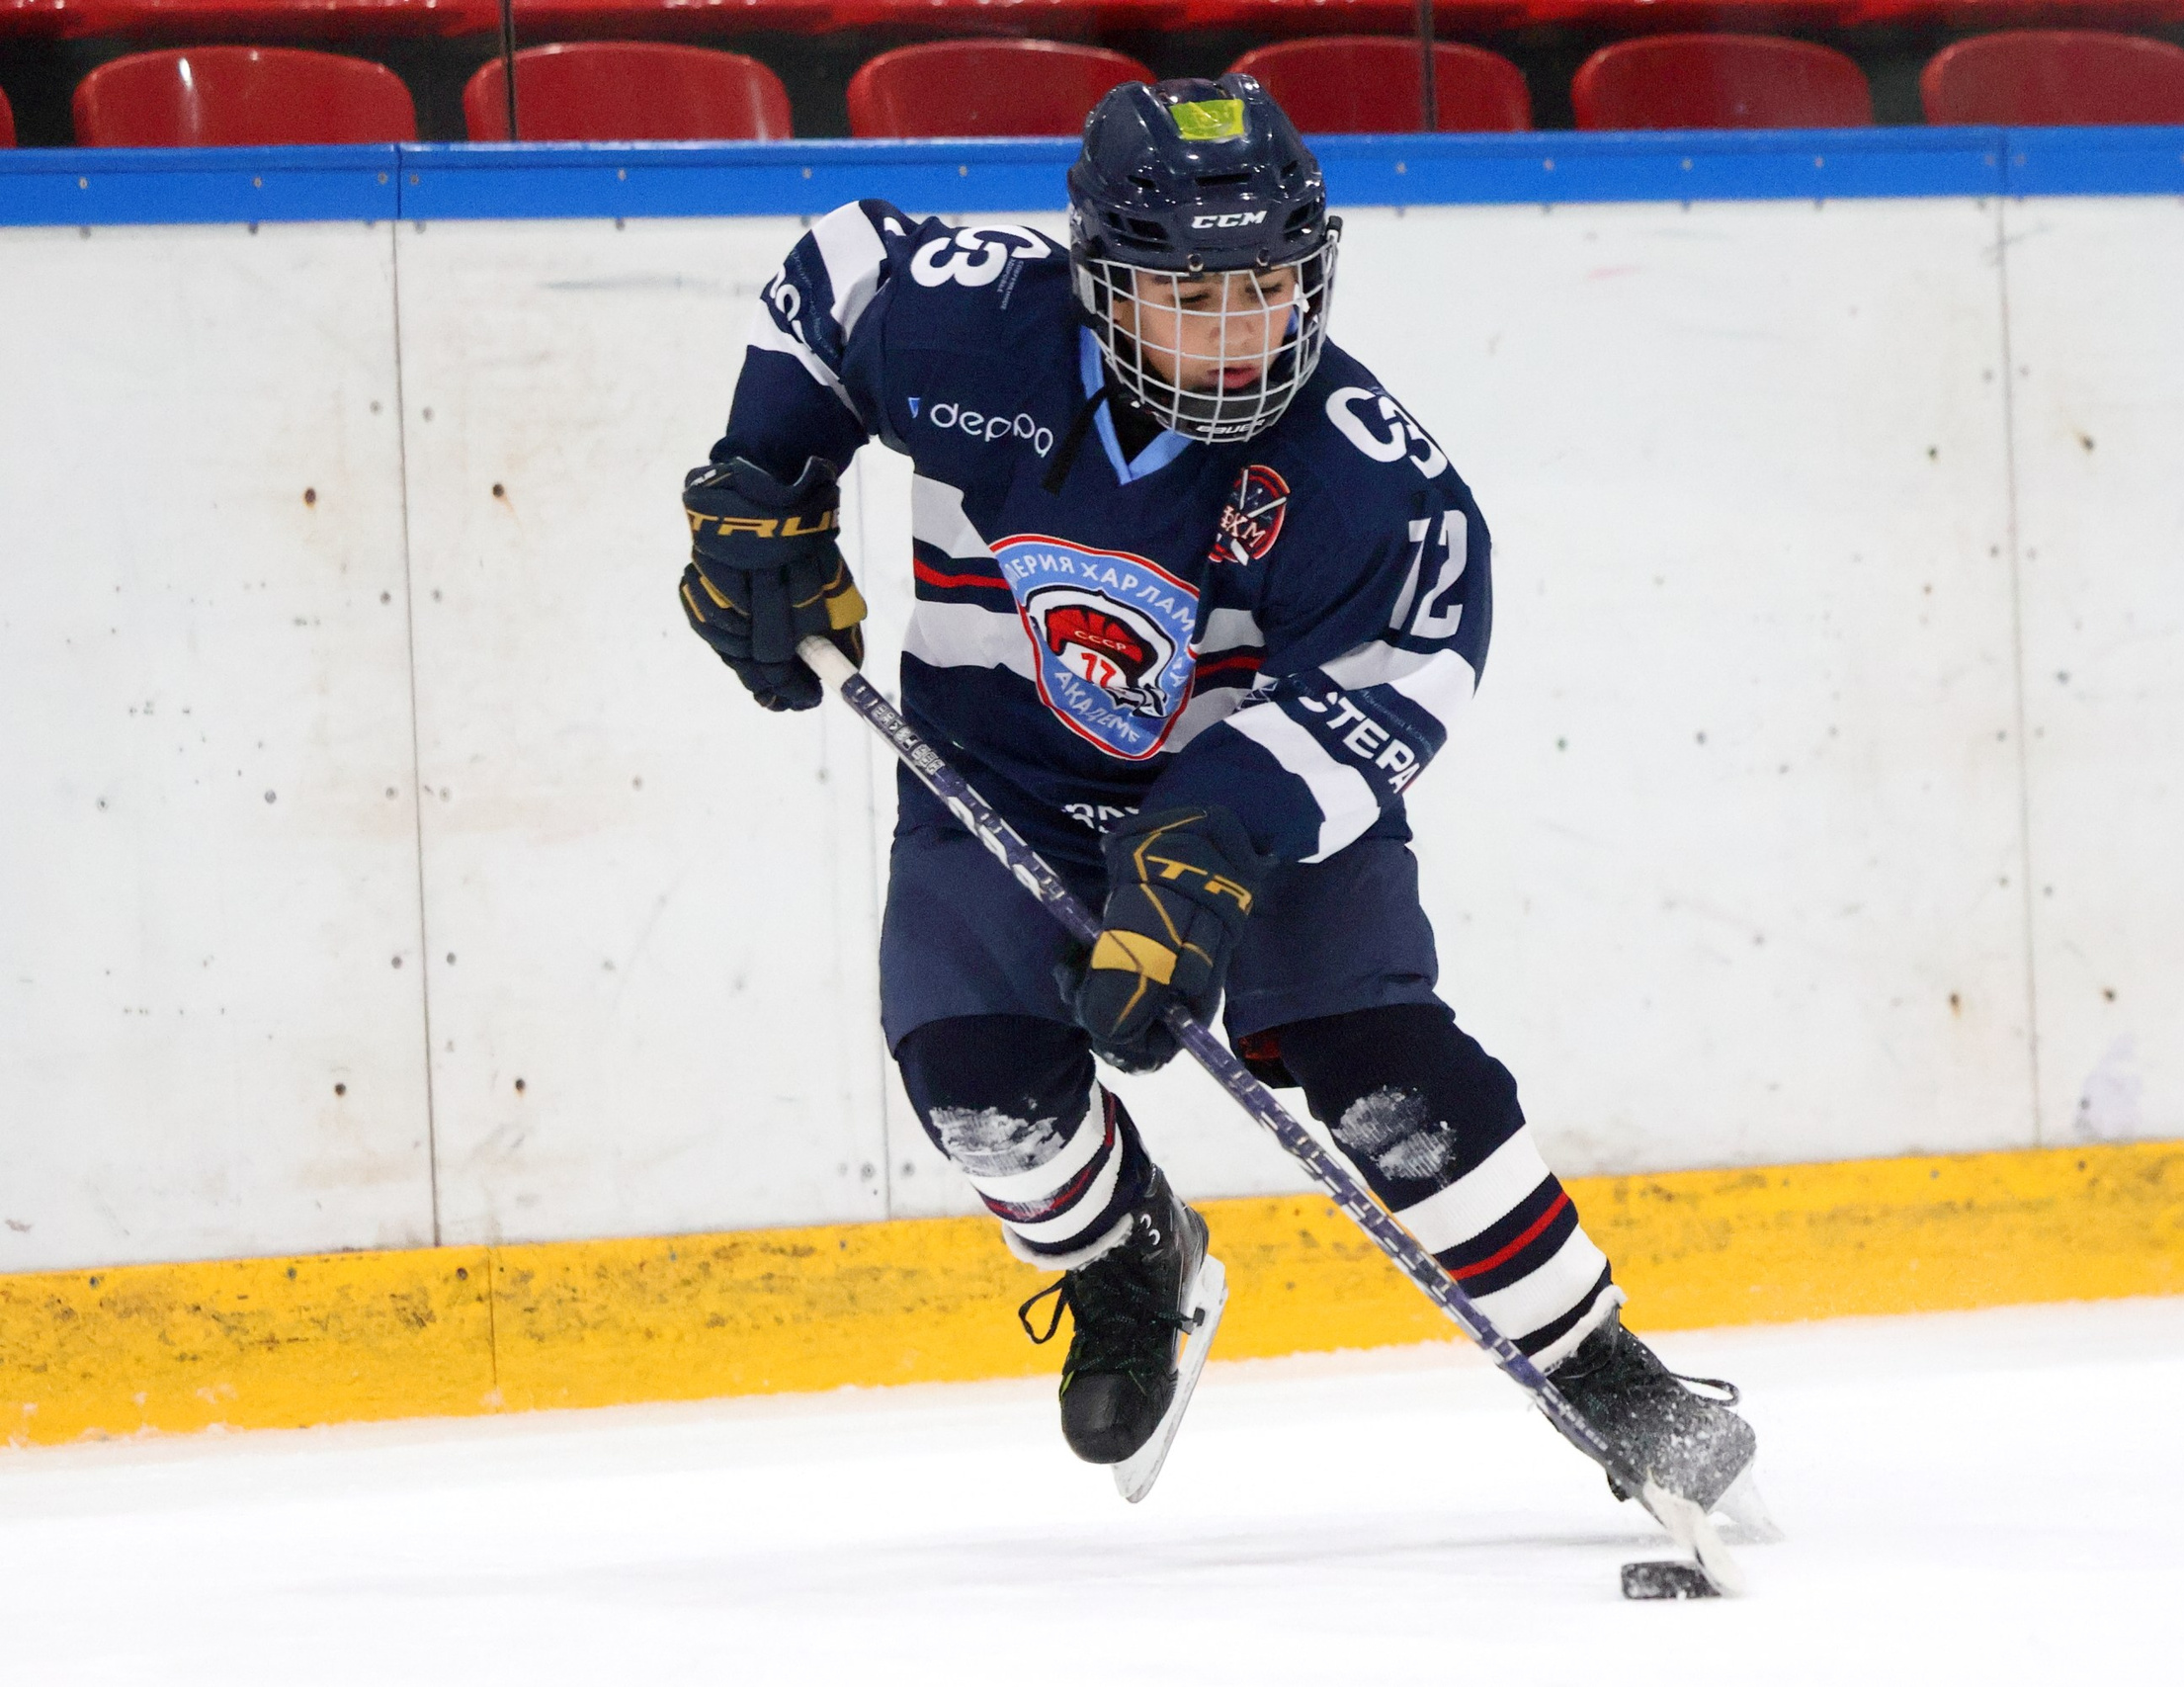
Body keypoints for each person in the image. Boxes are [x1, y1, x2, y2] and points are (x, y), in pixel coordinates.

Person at [677, 73, 1755, 1507]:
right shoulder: (970, 324)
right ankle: (1132, 1261)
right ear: (1096, 285)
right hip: (1004, 771)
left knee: (1380, 1071)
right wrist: (767, 478)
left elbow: (1410, 667)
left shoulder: (1369, 477)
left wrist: (1211, 842)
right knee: (974, 1083)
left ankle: (1607, 1371)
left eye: (1270, 291)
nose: (1244, 337)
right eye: (1194, 299)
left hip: (1255, 806)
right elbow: (835, 273)